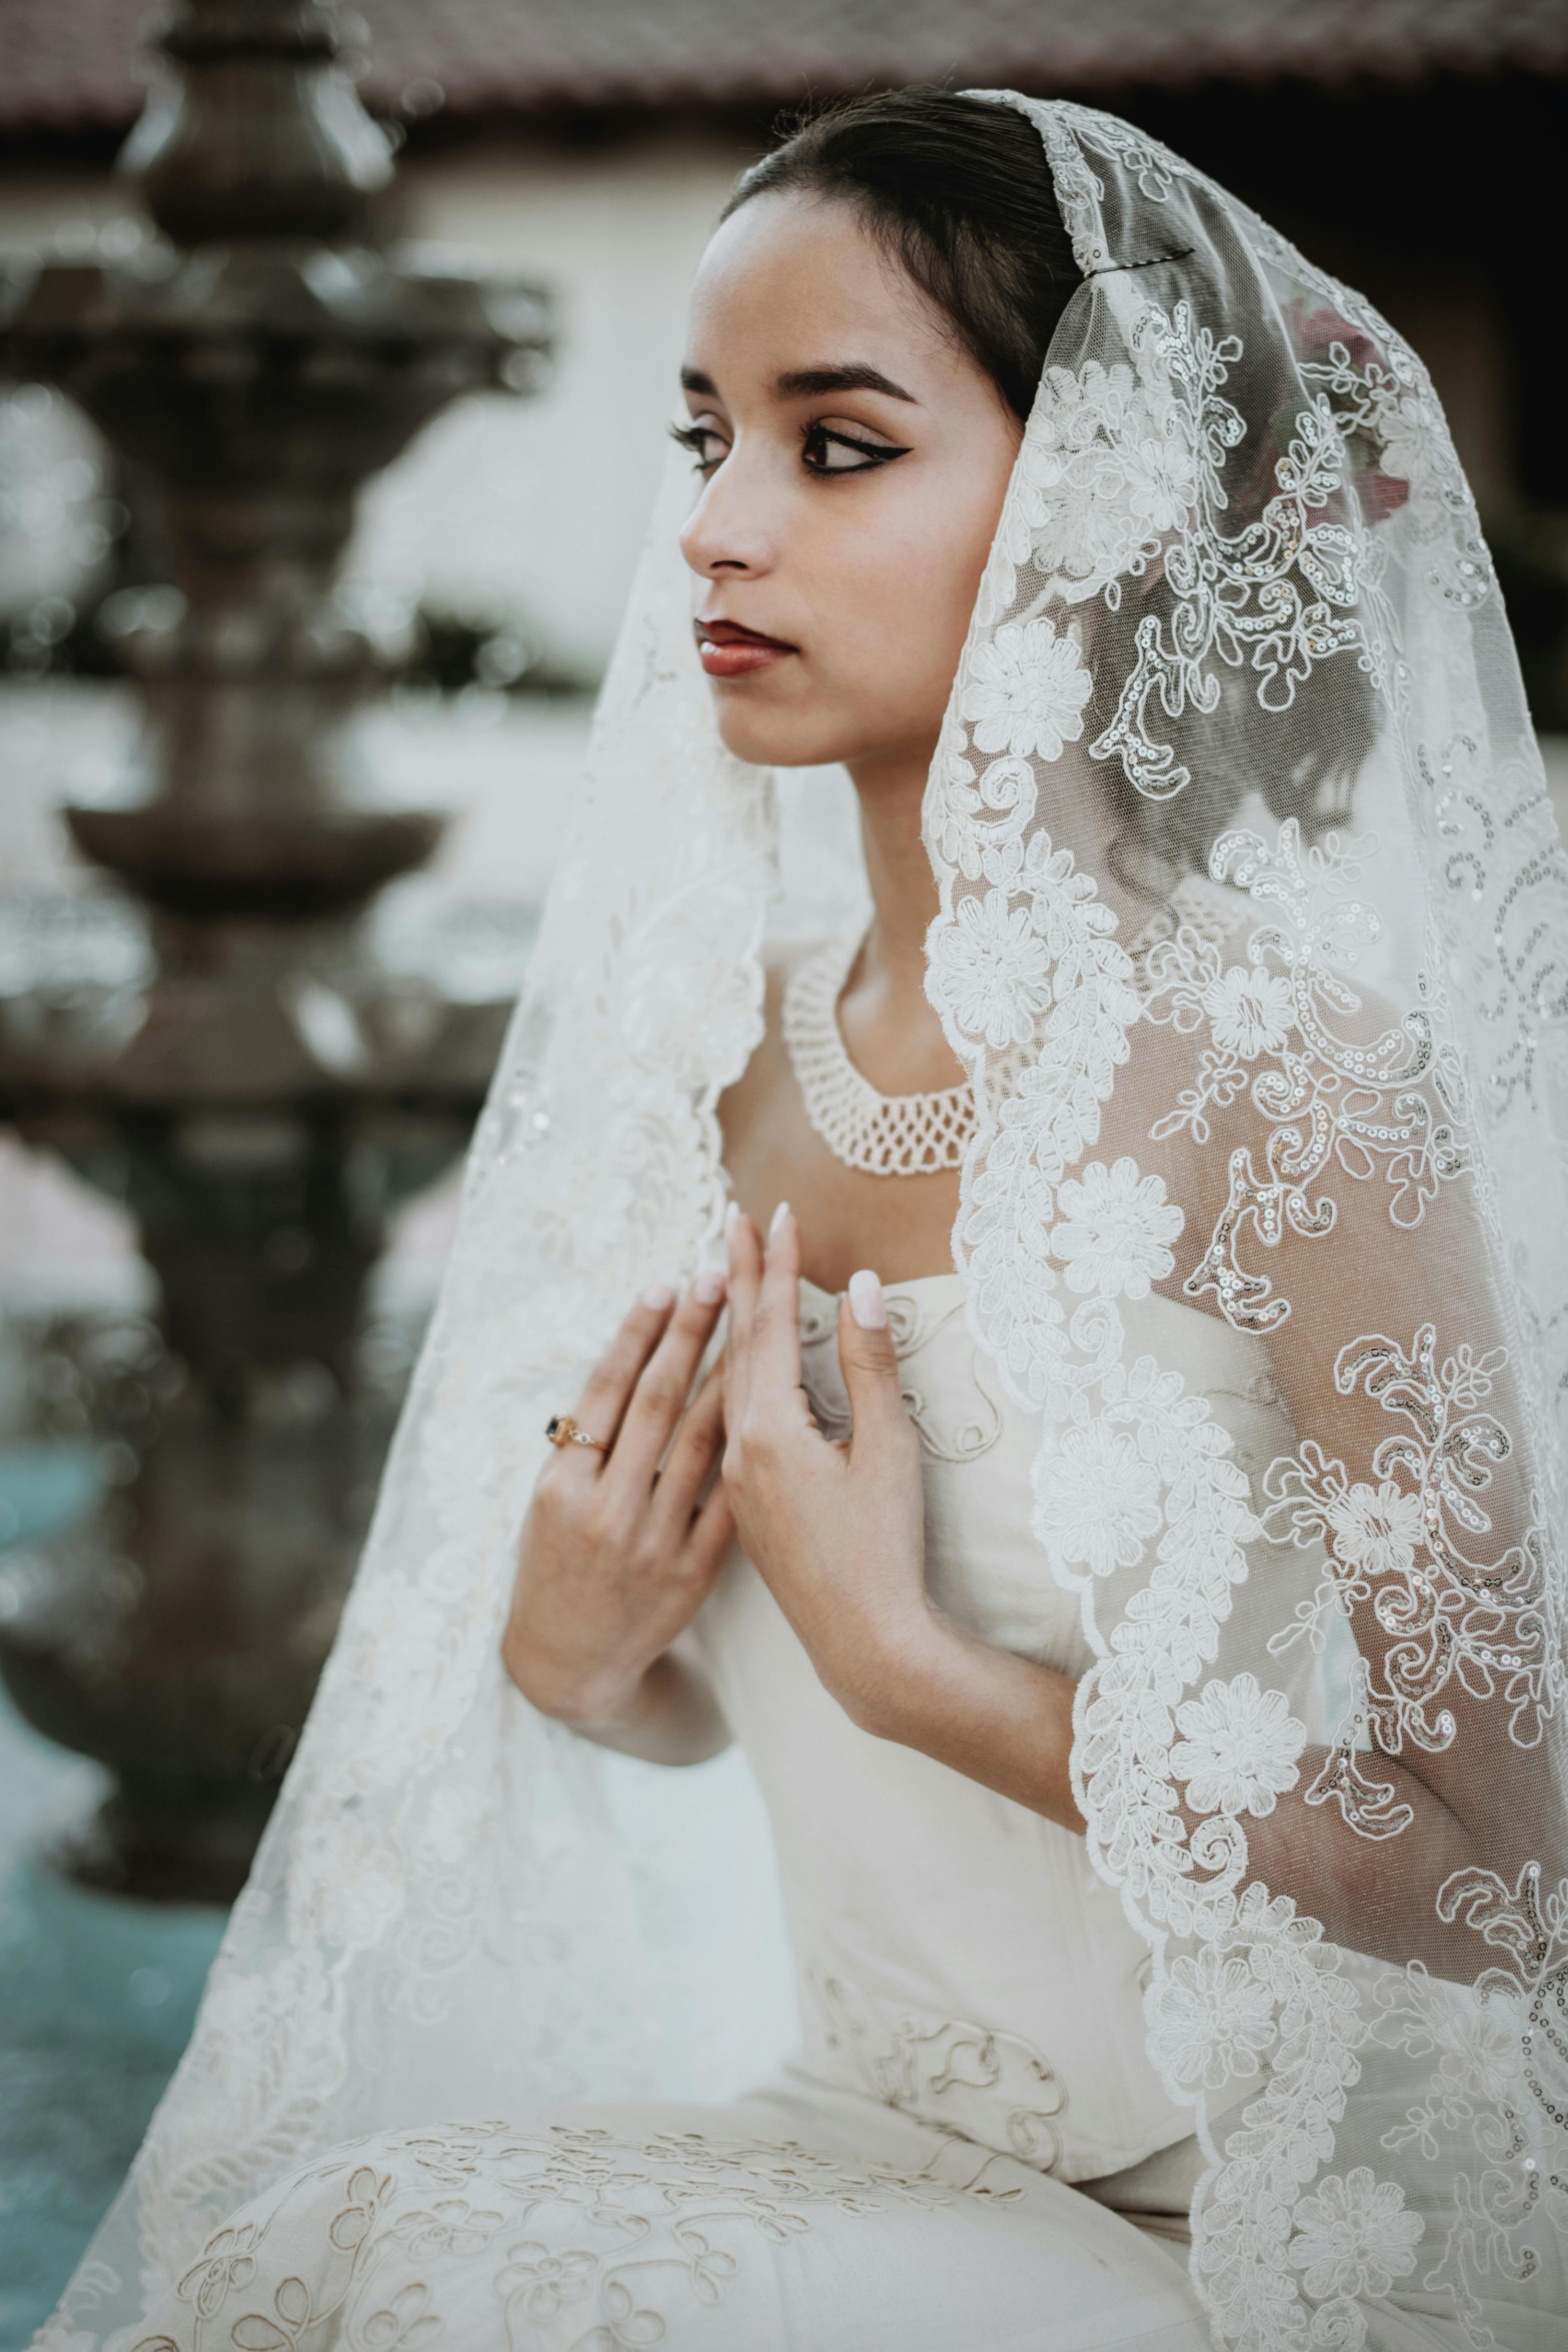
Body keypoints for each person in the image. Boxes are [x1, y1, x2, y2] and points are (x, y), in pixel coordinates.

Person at [40, 88, 1568, 2352]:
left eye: (836, 445)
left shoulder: (1294, 1090)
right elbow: (670, 1694)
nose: (720, 535)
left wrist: (919, 1679)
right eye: (704, 444)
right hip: (861, 2139)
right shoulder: (708, 1056)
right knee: (294, 2259)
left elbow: (1507, 1885)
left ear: (1107, 511)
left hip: (1263, 2217)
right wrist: (582, 1642)